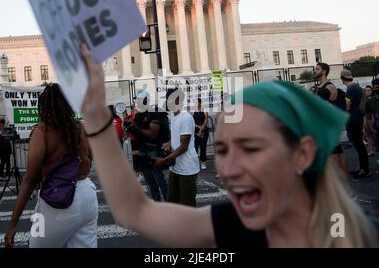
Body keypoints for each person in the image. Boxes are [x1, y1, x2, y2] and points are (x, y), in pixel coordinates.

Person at [79, 44, 377, 247]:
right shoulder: (236, 225)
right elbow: (134, 211)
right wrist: (94, 114)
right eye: (221, 150)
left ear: (302, 154)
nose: (229, 169)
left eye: (251, 148)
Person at [4, 84, 98, 248]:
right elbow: (89, 159)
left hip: (59, 198)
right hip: (88, 195)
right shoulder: (79, 128)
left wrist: (13, 224)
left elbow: (30, 179)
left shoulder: (42, 132)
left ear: (44, 107)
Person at [154, 87, 200, 207]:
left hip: (187, 169)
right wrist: (169, 144)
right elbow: (177, 138)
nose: (167, 103)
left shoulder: (185, 118)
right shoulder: (174, 117)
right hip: (175, 168)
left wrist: (163, 160)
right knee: (173, 203)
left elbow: (184, 147)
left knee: (187, 206)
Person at [125, 89, 168, 202]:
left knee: (158, 178)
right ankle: (157, 203)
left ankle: (170, 202)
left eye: (139, 100)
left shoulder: (153, 113)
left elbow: (153, 135)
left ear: (146, 100)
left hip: (154, 150)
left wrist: (136, 128)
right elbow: (138, 134)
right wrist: (130, 129)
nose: (137, 102)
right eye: (137, 100)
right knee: (149, 180)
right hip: (143, 150)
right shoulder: (139, 115)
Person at [313, 63, 348, 180]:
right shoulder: (318, 87)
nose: (315, 70)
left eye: (317, 69)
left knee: (334, 158)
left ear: (324, 71)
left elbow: (333, 108)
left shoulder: (330, 87)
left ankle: (342, 188)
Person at [340, 70, 371, 179]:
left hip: (353, 120)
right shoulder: (356, 87)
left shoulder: (351, 89)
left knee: (359, 145)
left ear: (342, 78)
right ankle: (362, 167)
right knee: (359, 145)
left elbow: (348, 105)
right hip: (357, 118)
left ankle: (364, 169)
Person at [193, 98, 209, 170]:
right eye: (194, 103)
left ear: (200, 103)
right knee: (195, 148)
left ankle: (203, 162)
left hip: (204, 131)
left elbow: (206, 120)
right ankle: (195, 163)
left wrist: (201, 129)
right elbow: (192, 121)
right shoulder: (193, 111)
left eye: (197, 102)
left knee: (203, 147)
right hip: (196, 131)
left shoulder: (204, 110)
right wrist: (198, 127)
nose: (195, 104)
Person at [363, 85, 376, 156]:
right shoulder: (365, 100)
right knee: (368, 136)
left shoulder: (373, 100)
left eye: (369, 90)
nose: (367, 92)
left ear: (372, 91)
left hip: (373, 120)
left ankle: (371, 149)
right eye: (366, 90)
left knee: (371, 135)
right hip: (366, 120)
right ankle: (370, 150)